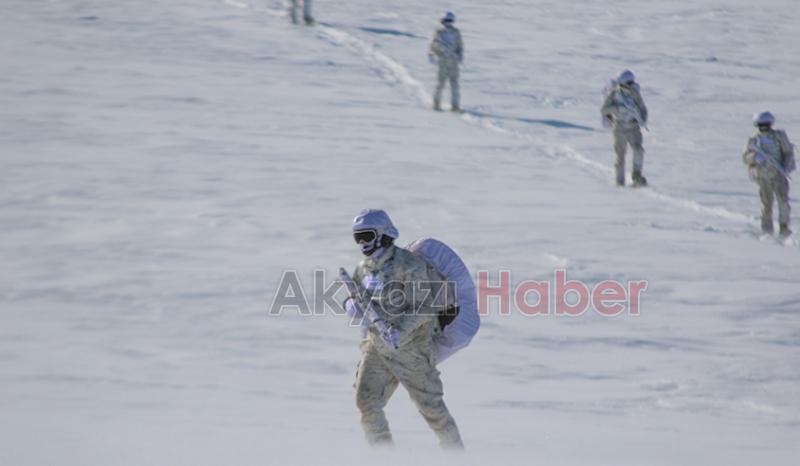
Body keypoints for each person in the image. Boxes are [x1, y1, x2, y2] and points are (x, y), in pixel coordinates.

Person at [344, 209, 463, 448]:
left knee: (432, 410)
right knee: (366, 403)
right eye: (358, 238)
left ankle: (457, 456)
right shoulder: (364, 268)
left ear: (382, 234)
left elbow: (424, 307)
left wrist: (400, 330)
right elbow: (355, 294)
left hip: (413, 349)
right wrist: (351, 306)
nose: (362, 244)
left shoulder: (410, 265)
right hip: (377, 348)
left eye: (367, 236)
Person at [742, 111, 795, 237]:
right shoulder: (754, 140)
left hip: (779, 175)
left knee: (783, 202)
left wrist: (786, 168)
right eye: (761, 124)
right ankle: (767, 230)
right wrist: (755, 157)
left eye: (766, 124)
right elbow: (745, 157)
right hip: (762, 176)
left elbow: (788, 153)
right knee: (767, 204)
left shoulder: (779, 136)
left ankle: (784, 228)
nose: (764, 127)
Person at [601, 70, 649, 186]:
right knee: (620, 156)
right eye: (628, 83)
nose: (631, 85)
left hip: (633, 127)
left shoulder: (635, 94)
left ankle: (637, 175)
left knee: (638, 150)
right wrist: (618, 109)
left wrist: (642, 119)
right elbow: (604, 110)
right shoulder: (614, 94)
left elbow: (643, 109)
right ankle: (619, 182)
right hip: (619, 128)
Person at [428, 12, 463, 112]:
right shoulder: (438, 32)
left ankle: (455, 106)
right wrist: (440, 51)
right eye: (446, 20)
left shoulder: (456, 32)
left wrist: (459, 56)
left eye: (450, 20)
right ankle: (436, 104)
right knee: (440, 84)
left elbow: (460, 45)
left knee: (455, 84)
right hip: (442, 60)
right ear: (442, 21)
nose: (448, 23)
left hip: (453, 61)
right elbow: (433, 45)